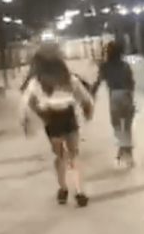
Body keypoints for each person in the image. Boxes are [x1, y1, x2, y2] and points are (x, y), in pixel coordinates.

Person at [20, 49, 95, 207]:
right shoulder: (68, 78)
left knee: (61, 156)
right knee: (73, 155)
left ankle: (63, 188)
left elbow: (26, 103)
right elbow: (85, 98)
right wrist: (88, 112)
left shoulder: (36, 82)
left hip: (52, 119)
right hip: (68, 116)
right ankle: (79, 191)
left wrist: (29, 119)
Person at [92, 41, 136, 167]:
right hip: (127, 96)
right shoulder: (125, 65)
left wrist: (91, 95)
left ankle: (123, 150)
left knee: (117, 127)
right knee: (127, 127)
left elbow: (98, 82)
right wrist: (132, 101)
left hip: (114, 97)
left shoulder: (105, 66)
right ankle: (128, 155)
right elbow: (131, 83)